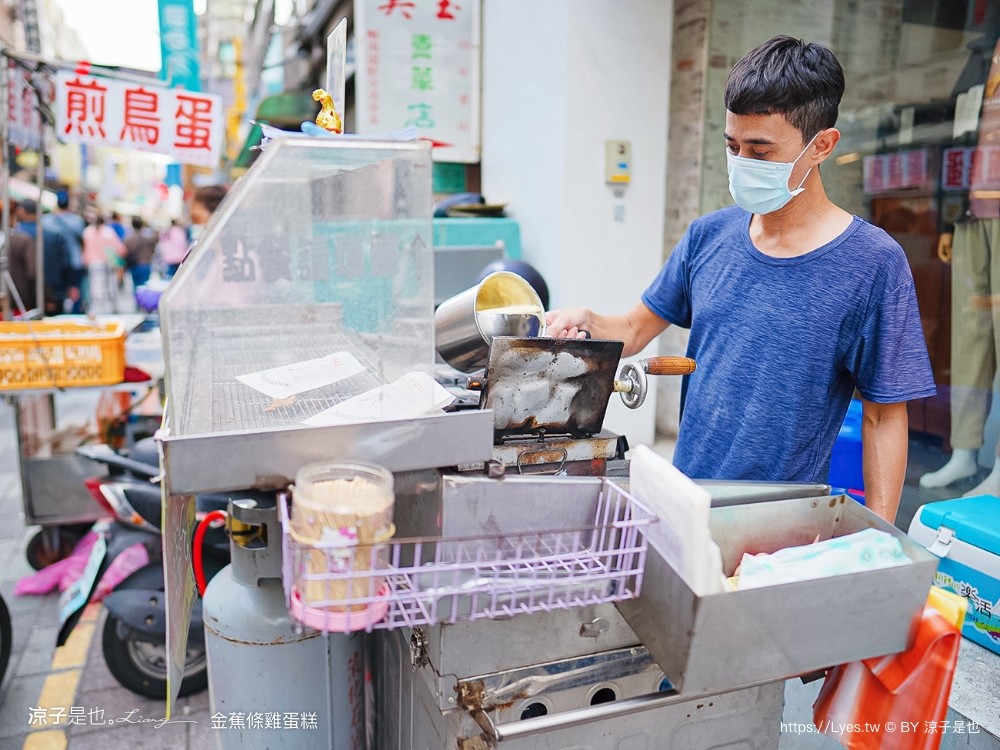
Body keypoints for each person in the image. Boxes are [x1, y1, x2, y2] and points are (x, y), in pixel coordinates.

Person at [546, 35, 936, 523]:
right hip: (684, 498)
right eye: (732, 145)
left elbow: (883, 415)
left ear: (822, 146)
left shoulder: (873, 263)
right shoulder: (708, 236)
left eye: (761, 149)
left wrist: (881, 537)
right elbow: (632, 330)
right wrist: (586, 320)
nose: (742, 163)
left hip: (781, 521)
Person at [14, 199, 73, 316]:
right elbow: (65, 263)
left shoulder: (14, 237)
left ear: (22, 211)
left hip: (22, 297)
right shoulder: (54, 235)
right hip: (53, 293)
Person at [42, 190, 86, 312]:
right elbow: (82, 241)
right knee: (75, 294)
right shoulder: (77, 221)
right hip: (75, 262)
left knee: (56, 295)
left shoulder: (46, 220)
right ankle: (75, 316)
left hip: (54, 264)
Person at [82, 215, 127, 313]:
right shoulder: (108, 232)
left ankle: (97, 310)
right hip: (108, 264)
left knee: (95, 288)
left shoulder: (87, 232)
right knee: (110, 287)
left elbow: (84, 250)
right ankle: (109, 310)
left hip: (93, 264)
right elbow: (120, 248)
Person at [123, 217, 157, 289]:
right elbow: (154, 243)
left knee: (136, 286)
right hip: (145, 263)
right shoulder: (148, 237)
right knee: (145, 286)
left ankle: (137, 299)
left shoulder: (129, 238)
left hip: (134, 264)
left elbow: (125, 251)